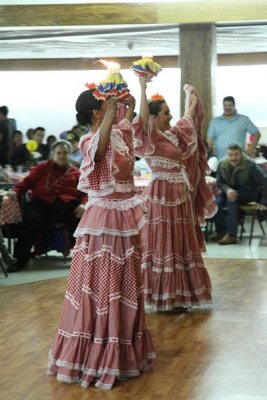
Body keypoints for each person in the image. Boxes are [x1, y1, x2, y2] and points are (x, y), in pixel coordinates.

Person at [47, 88, 155, 390]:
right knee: (103, 284)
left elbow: (139, 121)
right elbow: (98, 149)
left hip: (124, 214)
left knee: (125, 282)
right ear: (97, 111)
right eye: (107, 106)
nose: (117, 108)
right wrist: (110, 110)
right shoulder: (88, 139)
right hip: (104, 219)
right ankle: (98, 353)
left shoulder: (119, 132)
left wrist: (142, 89)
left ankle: (122, 349)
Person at [133, 78, 217, 311]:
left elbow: (187, 122)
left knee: (181, 244)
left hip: (180, 199)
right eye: (166, 112)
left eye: (170, 112)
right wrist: (142, 87)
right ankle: (165, 296)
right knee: (165, 244)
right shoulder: (150, 139)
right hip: (162, 196)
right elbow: (140, 119)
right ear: (153, 118)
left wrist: (192, 101)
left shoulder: (172, 135)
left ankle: (181, 295)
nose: (170, 116)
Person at [7, 140, 87, 272]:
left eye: (65, 153)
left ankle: (85, 259)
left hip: (67, 206)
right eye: (59, 153)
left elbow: (85, 192)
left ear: (69, 155)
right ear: (53, 154)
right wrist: (14, 192)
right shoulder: (42, 167)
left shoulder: (76, 172)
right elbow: (26, 183)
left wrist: (84, 204)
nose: (62, 156)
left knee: (84, 222)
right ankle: (20, 260)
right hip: (42, 204)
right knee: (30, 221)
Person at [211, 143, 267, 245]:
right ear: (227, 154)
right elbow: (219, 181)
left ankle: (231, 235)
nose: (233, 158)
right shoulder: (221, 164)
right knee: (216, 202)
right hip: (229, 191)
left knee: (232, 199)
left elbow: (264, 181)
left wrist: (263, 202)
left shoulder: (250, 165)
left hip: (248, 192)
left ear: (241, 154)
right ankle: (221, 232)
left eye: (236, 155)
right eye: (230, 155)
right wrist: (227, 189)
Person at [207, 96, 261, 160]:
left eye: (230, 105)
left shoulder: (244, 120)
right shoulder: (215, 122)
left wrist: (250, 151)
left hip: (239, 160)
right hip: (220, 161)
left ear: (234, 105)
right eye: (225, 105)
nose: (227, 107)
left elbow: (257, 134)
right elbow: (209, 141)